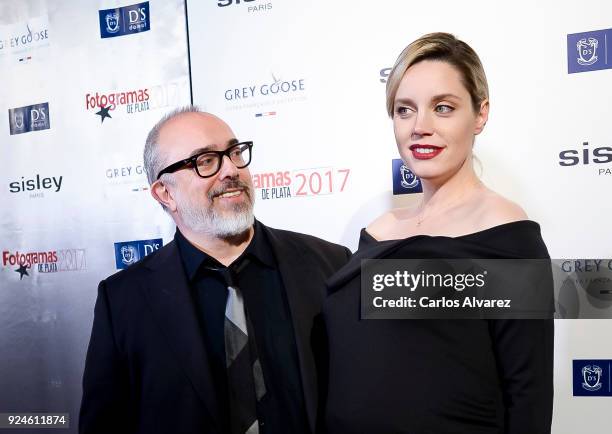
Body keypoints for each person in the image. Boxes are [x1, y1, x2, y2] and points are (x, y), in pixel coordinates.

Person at [321, 33, 554, 433]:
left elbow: (528, 394)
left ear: (480, 114)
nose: (420, 127)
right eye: (404, 110)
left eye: (443, 108)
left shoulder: (507, 234)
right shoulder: (377, 232)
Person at [79, 106, 351, 434]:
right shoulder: (123, 301)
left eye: (235, 152)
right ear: (165, 193)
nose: (230, 170)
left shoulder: (329, 264)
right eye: (205, 161)